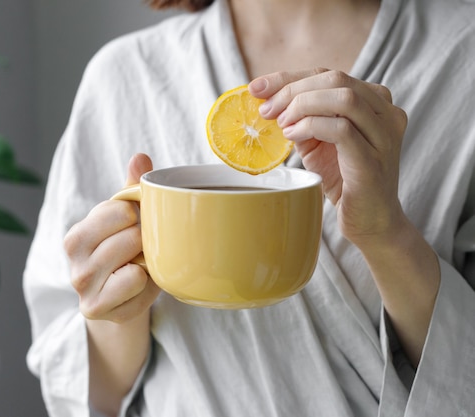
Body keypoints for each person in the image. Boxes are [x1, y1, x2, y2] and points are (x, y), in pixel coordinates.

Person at [23, 0, 475, 415]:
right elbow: (82, 385)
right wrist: (116, 311)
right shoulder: (124, 76)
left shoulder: (463, 53)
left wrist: (385, 233)